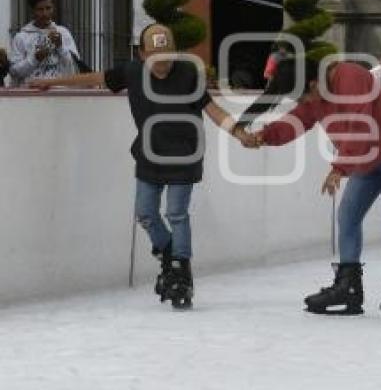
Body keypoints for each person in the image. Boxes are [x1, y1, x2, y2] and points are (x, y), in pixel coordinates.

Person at [31, 24, 249, 309]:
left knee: (176, 214)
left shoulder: (188, 75)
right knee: (145, 213)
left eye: (168, 56)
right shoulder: (132, 72)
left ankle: (181, 270)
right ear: (143, 54)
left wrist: (239, 131)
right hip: (149, 154)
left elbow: (212, 109)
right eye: (156, 57)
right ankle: (170, 253)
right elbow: (96, 77)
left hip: (184, 154)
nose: (162, 64)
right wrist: (54, 82)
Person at [240, 57, 381, 321]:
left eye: (306, 96)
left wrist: (340, 167)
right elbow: (297, 120)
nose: (306, 103)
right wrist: (264, 135)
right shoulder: (313, 96)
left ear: (315, 82)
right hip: (367, 158)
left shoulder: (350, 76)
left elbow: (361, 125)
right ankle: (348, 287)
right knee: (348, 217)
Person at [8, 0, 81, 86]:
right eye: (40, 9)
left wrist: (60, 47)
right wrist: (35, 59)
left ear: (53, 8)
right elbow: (14, 72)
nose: (45, 13)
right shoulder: (21, 37)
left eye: (48, 8)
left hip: (57, 94)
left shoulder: (63, 33)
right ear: (32, 11)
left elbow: (74, 69)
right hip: (30, 95)